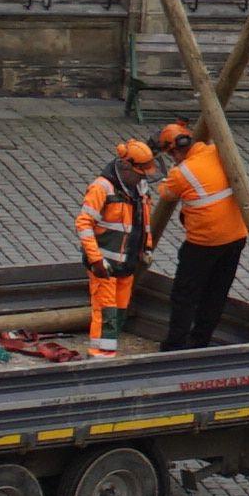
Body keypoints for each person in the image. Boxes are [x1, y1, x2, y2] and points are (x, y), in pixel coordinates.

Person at [154, 113, 249, 350]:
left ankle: (175, 345)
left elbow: (166, 194)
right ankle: (201, 341)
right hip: (236, 236)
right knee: (216, 293)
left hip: (203, 242)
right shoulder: (217, 152)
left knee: (184, 294)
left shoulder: (181, 173)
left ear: (173, 152)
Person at [76, 137, 161, 347]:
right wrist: (96, 260)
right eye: (140, 173)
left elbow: (144, 221)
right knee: (106, 313)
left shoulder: (139, 189)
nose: (143, 178)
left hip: (127, 263)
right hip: (105, 266)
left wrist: (147, 246)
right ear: (126, 167)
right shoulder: (102, 188)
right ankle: (100, 358)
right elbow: (83, 224)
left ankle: (107, 352)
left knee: (120, 311)